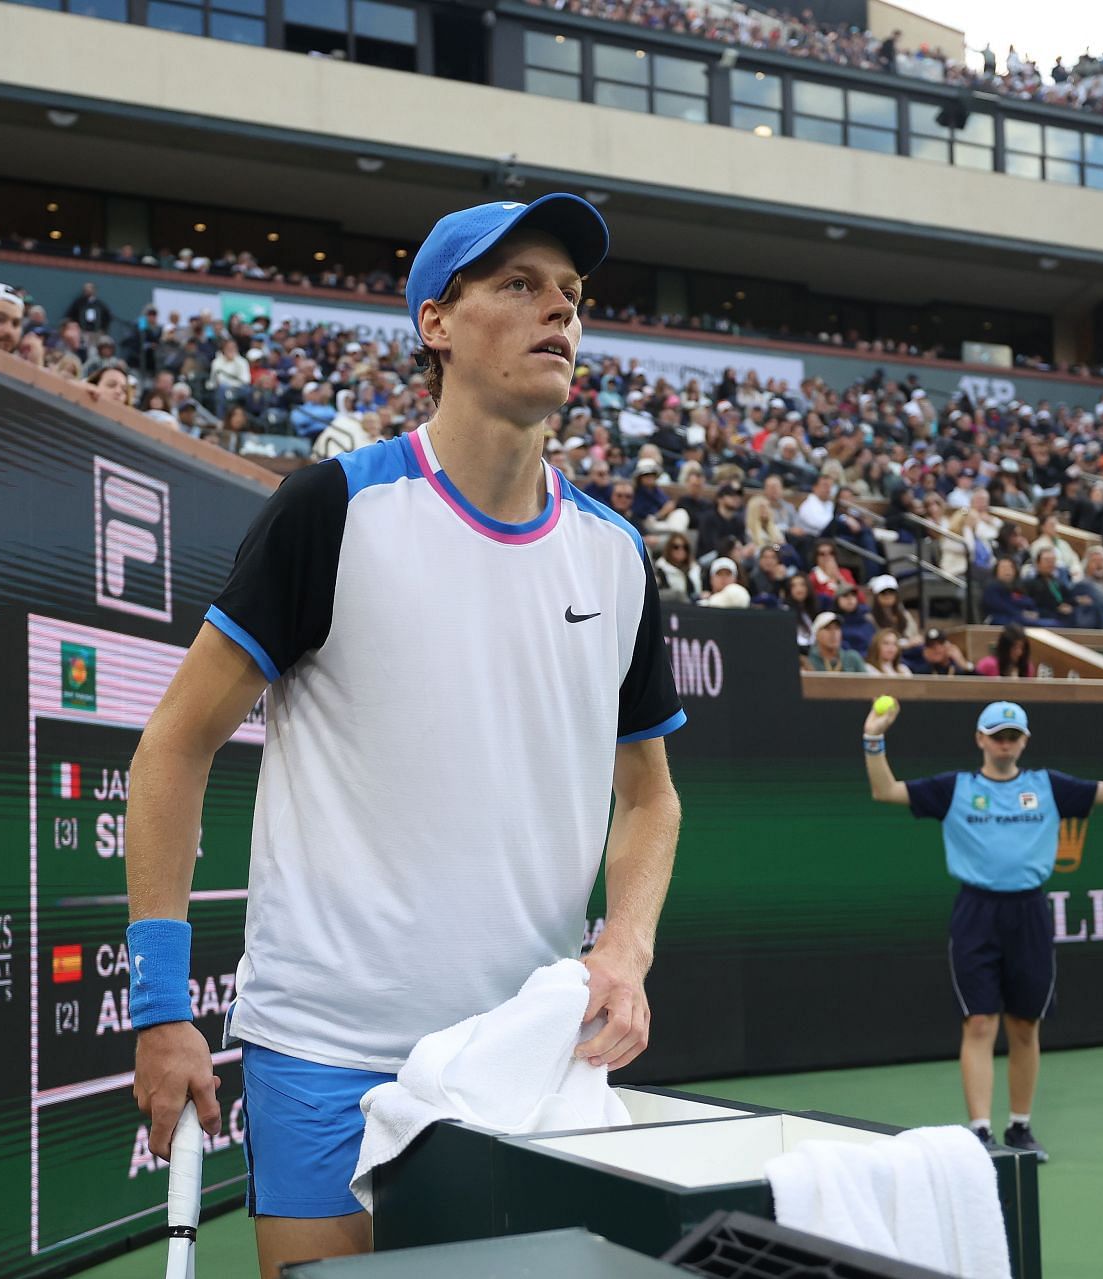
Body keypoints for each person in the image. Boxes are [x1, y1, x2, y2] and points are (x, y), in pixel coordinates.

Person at [123, 195, 685, 1278]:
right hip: (326, 1049)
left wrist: (625, 942)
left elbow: (651, 796)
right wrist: (160, 1007)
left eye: (571, 295)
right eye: (518, 285)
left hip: (526, 1053)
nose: (557, 312)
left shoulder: (616, 556)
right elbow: (173, 746)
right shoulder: (330, 509)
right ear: (436, 320)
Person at [861, 699, 1103, 1161]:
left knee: (1025, 1025)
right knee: (979, 1021)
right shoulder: (955, 788)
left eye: (1013, 736)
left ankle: (1020, 1127)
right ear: (980, 739)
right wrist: (873, 737)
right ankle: (980, 1132)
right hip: (976, 912)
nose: (1005, 744)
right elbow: (885, 790)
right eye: (997, 735)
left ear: (1023, 741)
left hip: (1028, 912)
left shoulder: (1047, 786)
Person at [1023, 547, 1075, 625]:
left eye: (1053, 561)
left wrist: (1071, 605)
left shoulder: (1058, 583)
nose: (1050, 563)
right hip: (1042, 620)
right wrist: (1057, 609)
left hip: (1062, 619)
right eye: (1047, 560)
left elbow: (1068, 599)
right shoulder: (1029, 583)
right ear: (1038, 563)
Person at [981, 558, 1038, 626]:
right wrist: (1021, 612)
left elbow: (1029, 603)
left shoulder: (1017, 587)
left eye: (1010, 567)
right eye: (1003, 567)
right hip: (1001, 621)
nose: (1007, 570)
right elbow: (1001, 607)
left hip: (1021, 619)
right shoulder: (991, 588)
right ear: (996, 571)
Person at [652, 532, 700, 603]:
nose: (681, 550)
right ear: (669, 549)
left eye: (685, 547)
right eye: (676, 547)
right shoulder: (659, 570)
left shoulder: (693, 569)